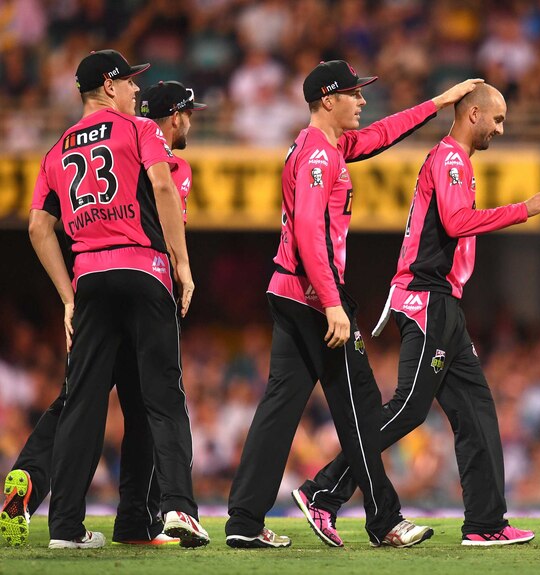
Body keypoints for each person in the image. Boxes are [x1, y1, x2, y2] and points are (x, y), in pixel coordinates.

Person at [292, 83, 540, 548]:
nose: (500, 129)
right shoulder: (452, 160)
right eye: (497, 120)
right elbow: (457, 223)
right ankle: (323, 491)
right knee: (407, 408)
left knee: (476, 410)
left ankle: (485, 522)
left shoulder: (454, 160)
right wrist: (524, 209)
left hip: (444, 302)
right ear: (473, 113)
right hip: (426, 298)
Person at [224, 60, 483, 549]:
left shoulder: (322, 145)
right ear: (328, 99)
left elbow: (383, 134)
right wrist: (331, 303)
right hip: (315, 298)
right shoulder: (321, 157)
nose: (362, 101)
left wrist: (438, 103)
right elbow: (308, 233)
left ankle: (243, 520)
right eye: (353, 94)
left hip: (287, 292)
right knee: (361, 407)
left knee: (280, 408)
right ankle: (378, 518)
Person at [0, 79, 207, 548]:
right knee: (156, 401)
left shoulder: (57, 148)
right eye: (129, 80)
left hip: (89, 280)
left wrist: (68, 298)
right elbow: (163, 188)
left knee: (78, 403)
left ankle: (50, 507)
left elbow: (38, 226)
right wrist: (183, 266)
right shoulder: (150, 142)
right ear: (111, 87)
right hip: (144, 272)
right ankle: (163, 512)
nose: (134, 88)